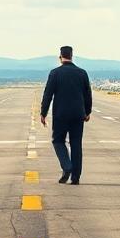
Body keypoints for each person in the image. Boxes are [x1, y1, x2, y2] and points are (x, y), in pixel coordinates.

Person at [40, 45, 92, 184]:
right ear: (72, 56)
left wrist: (43, 113)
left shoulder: (55, 73)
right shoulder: (82, 73)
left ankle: (67, 166)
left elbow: (48, 95)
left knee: (58, 141)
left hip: (60, 114)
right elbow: (88, 95)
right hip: (77, 114)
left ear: (60, 57)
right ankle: (75, 178)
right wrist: (87, 112)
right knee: (76, 144)